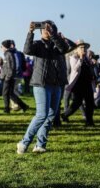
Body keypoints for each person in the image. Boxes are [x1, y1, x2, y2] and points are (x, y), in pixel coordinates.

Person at [17, 20, 69, 154]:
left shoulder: (58, 44)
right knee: (41, 115)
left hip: (56, 84)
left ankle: (40, 145)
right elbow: (27, 50)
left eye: (49, 28)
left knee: (51, 116)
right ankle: (24, 142)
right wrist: (30, 32)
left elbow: (64, 49)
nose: (45, 30)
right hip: (41, 84)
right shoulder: (38, 44)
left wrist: (54, 36)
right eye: (44, 28)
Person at [61, 40, 95, 126]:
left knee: (90, 102)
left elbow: (90, 70)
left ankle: (89, 121)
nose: (84, 49)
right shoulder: (73, 57)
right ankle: (64, 115)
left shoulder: (87, 59)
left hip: (87, 83)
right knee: (77, 103)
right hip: (78, 84)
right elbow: (75, 68)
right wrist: (81, 58)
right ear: (76, 49)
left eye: (85, 48)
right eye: (81, 47)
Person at [0, 40, 28, 113]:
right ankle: (23, 106)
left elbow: (10, 66)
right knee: (11, 93)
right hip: (11, 76)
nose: (1, 48)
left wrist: (7, 77)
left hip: (9, 77)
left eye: (2, 46)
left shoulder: (8, 54)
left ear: (5, 47)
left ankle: (6, 109)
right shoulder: (10, 53)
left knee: (5, 93)